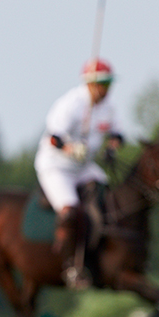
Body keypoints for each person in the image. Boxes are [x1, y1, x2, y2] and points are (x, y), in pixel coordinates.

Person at [34, 58, 124, 289]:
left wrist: (112, 148)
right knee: (70, 211)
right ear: (90, 83)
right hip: (57, 167)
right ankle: (70, 266)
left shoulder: (109, 107)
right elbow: (54, 137)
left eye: (109, 83)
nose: (106, 88)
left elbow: (118, 134)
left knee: (109, 197)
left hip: (85, 168)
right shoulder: (71, 103)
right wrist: (71, 149)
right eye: (102, 83)